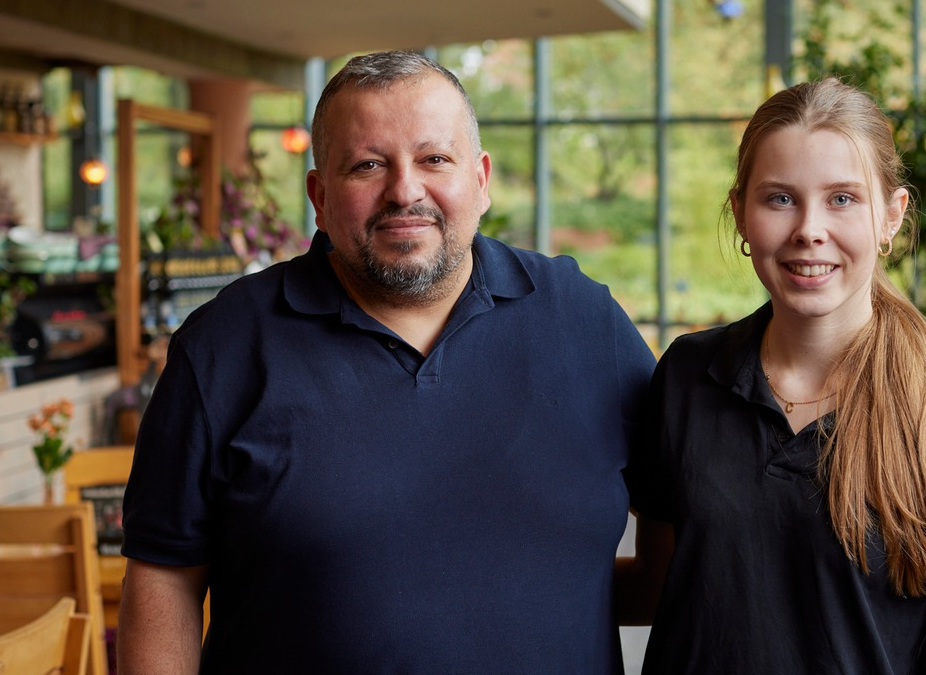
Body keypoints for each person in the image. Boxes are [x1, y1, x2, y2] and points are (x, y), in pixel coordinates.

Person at [117, 50, 655, 675]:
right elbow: (163, 577)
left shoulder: (586, 323)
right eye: (367, 165)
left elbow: (688, 517)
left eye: (434, 159)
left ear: (480, 179)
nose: (405, 190)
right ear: (319, 195)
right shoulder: (222, 349)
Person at [626, 78, 926, 674]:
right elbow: (660, 592)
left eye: (843, 198)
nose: (809, 228)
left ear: (891, 217)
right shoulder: (685, 377)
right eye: (779, 198)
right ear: (740, 213)